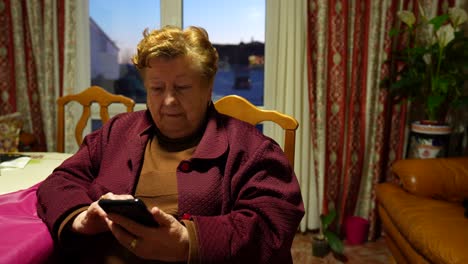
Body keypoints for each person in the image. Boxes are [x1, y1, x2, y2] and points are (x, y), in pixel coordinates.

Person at [37, 25, 304, 263]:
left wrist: (189, 243)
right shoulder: (118, 131)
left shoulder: (254, 149)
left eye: (182, 88)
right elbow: (60, 181)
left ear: (208, 88)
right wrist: (81, 217)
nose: (168, 101)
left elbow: (273, 225)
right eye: (156, 88)